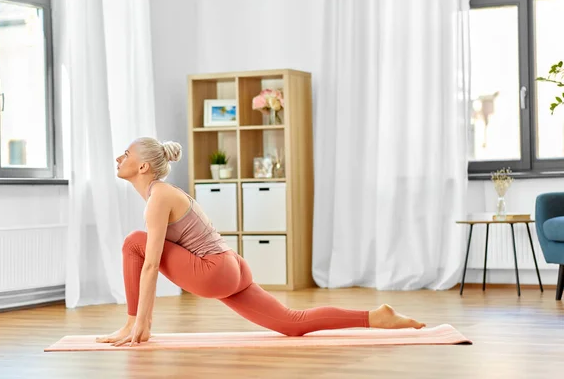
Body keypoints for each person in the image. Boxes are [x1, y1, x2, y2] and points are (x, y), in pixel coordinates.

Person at [96, 137, 425, 347]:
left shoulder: (158, 198)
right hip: (233, 267)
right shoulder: (164, 194)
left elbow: (151, 263)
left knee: (134, 242)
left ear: (142, 166)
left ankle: (130, 322)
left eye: (125, 154)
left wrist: (140, 322)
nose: (118, 158)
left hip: (212, 271)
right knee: (291, 324)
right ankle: (375, 317)